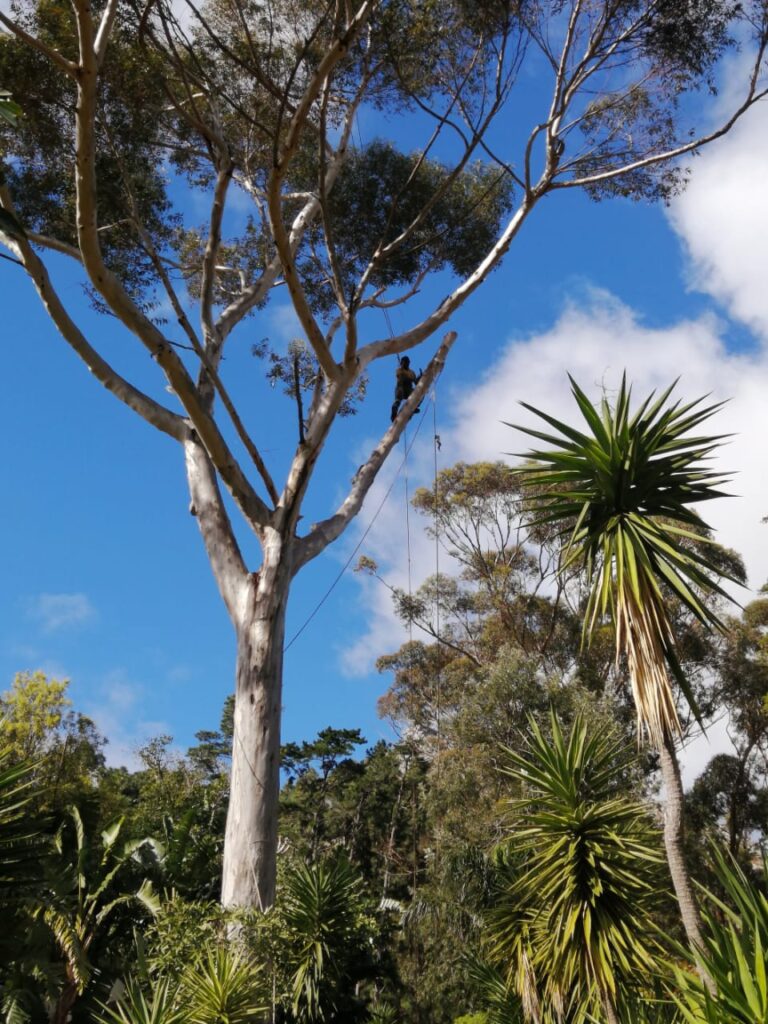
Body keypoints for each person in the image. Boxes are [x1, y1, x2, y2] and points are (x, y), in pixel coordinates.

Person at [390, 356, 422, 422]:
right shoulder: (399, 370)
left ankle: (414, 406)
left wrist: (420, 377)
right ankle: (394, 413)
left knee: (419, 394)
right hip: (400, 387)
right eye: (404, 362)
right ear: (402, 363)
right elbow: (400, 375)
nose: (406, 364)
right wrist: (402, 368)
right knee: (398, 400)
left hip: (408, 389)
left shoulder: (412, 372)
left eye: (407, 362)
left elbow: (416, 382)